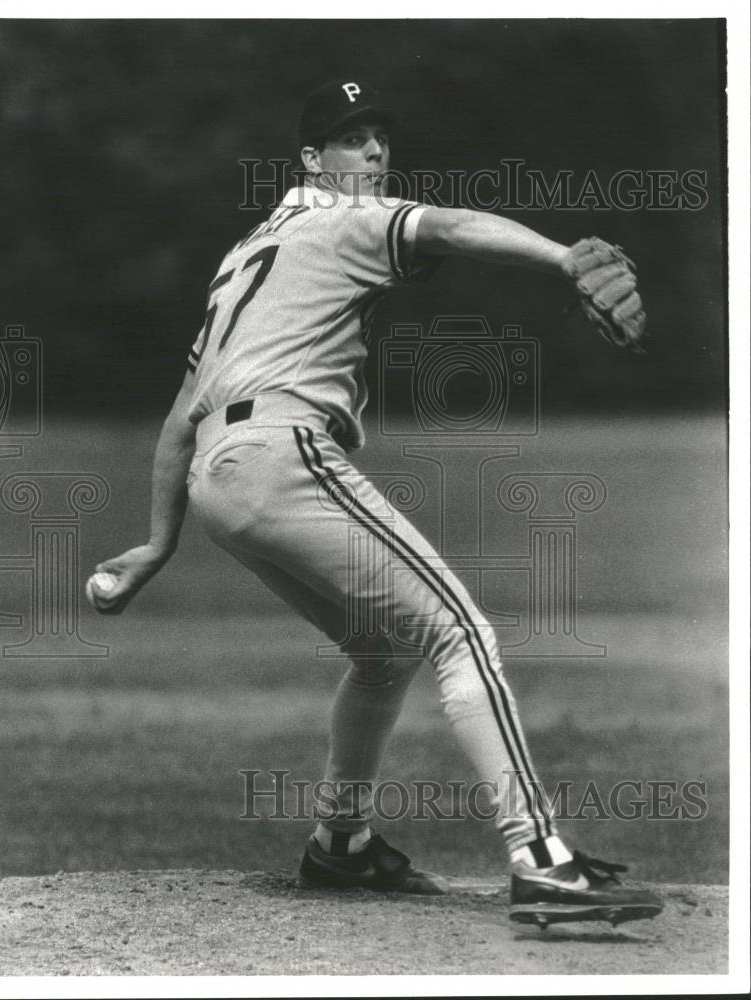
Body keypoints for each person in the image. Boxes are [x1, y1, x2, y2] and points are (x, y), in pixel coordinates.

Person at [87, 80, 661, 928]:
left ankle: (341, 845)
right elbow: (453, 227)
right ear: (311, 163)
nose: (375, 152)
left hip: (220, 477)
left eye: (379, 137)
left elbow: (181, 416)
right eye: (351, 140)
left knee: (381, 654)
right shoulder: (343, 218)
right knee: (459, 630)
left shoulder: (245, 254)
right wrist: (563, 256)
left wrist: (156, 543)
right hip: (283, 457)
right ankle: (543, 862)